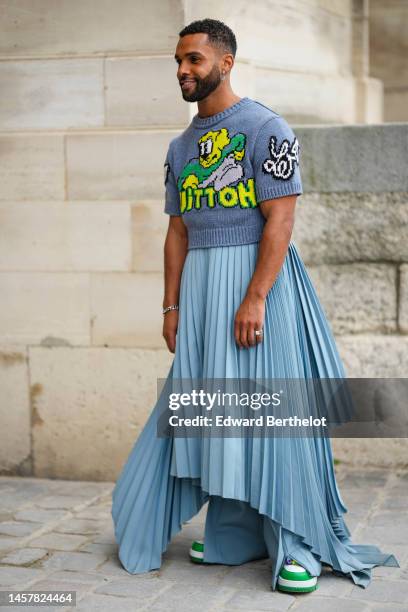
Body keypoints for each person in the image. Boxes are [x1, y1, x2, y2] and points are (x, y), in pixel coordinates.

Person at [111, 18, 399, 594]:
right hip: (199, 294)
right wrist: (171, 309)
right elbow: (176, 232)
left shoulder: (267, 128)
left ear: (226, 61)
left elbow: (282, 220)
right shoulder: (180, 146)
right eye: (178, 61)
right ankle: (236, 533)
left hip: (255, 290)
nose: (182, 71)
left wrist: (256, 297)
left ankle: (298, 543)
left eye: (193, 60)